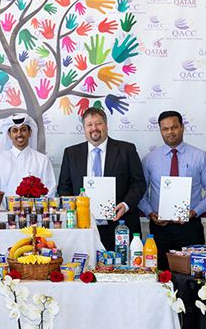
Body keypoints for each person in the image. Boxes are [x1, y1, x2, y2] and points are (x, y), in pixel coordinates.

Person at [139, 110, 206, 270]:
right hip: (159, 228)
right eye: (165, 128)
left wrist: (194, 212)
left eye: (174, 127)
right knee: (159, 274)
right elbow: (140, 192)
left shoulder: (200, 157)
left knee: (193, 275)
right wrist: (150, 213)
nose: (170, 132)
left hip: (190, 228)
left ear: (182, 127)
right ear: (160, 131)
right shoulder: (149, 159)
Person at [57, 107, 146, 250]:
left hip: (120, 226)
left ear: (106, 125)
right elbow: (64, 187)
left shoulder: (126, 150)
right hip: (83, 228)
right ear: (84, 128)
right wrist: (75, 209)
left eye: (98, 123)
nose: (94, 128)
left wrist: (126, 204)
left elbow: (138, 183)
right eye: (89, 125)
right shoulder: (71, 153)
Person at [0, 113, 56, 199]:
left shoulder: (42, 160)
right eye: (15, 130)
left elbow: (49, 191)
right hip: (5, 208)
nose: (19, 134)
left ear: (30, 132)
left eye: (23, 130)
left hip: (35, 208)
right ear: (9, 134)